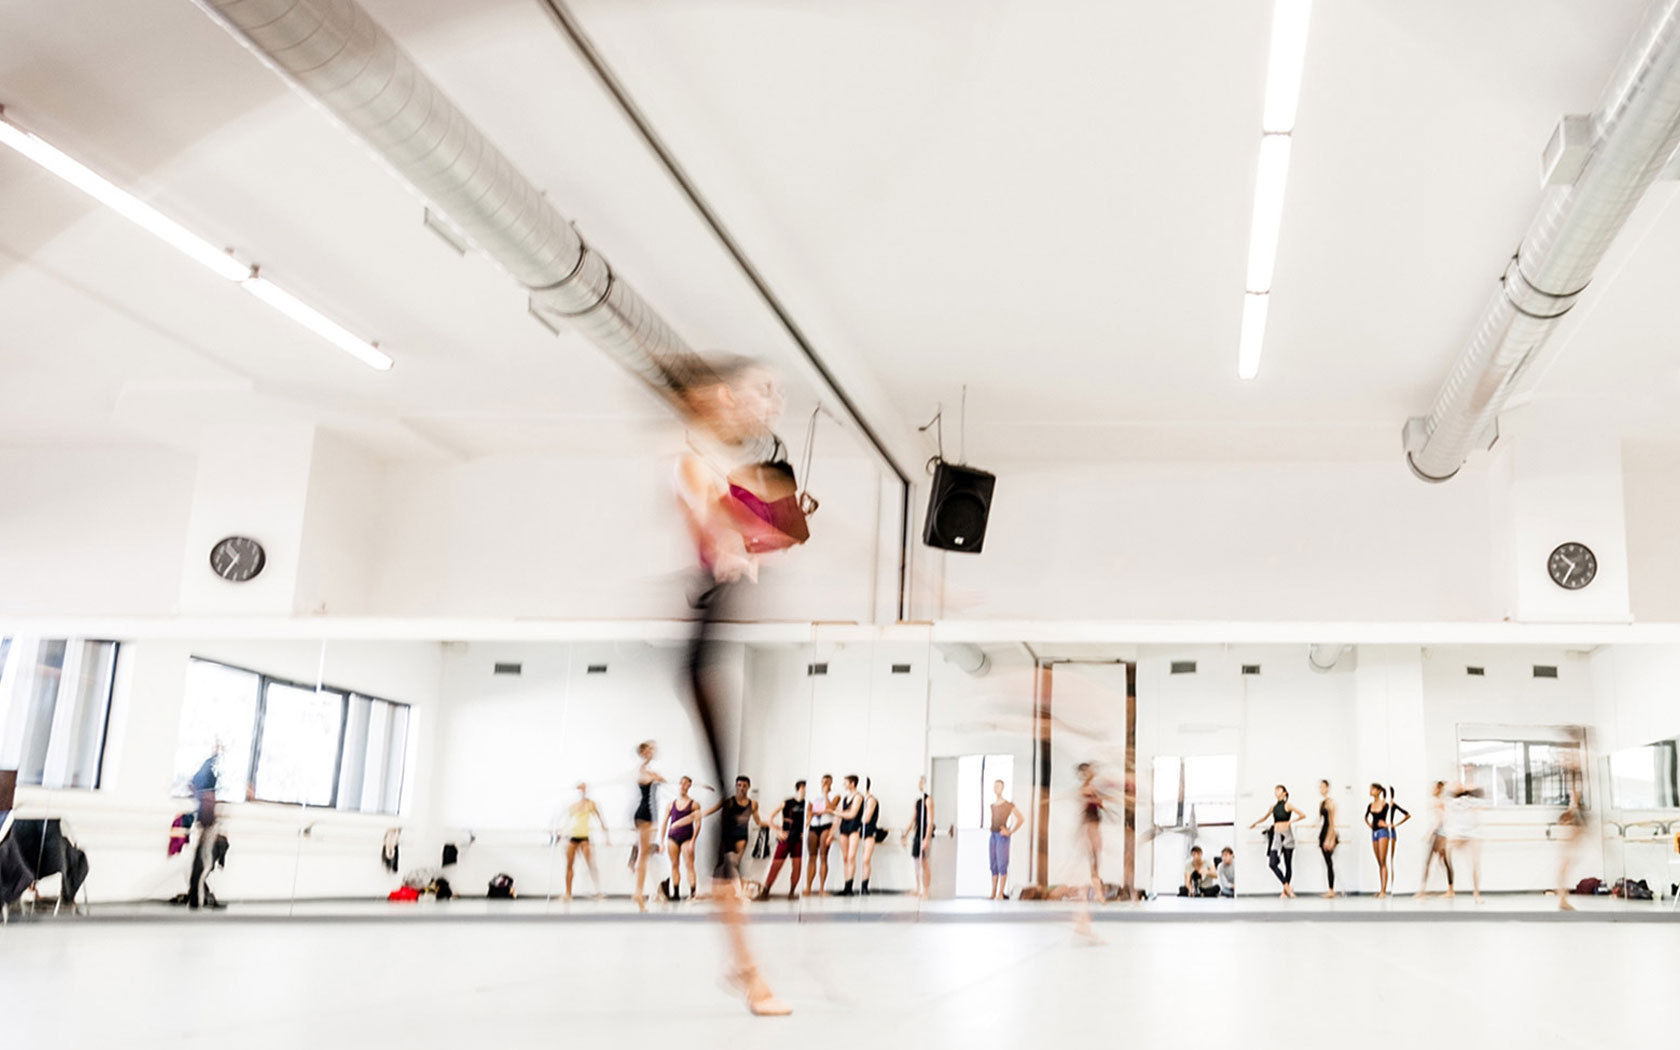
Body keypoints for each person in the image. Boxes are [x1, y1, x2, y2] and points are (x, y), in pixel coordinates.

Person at [672, 355, 795, 1014]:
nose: (769, 404)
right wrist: (726, 544)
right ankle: (750, 977)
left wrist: (755, 535)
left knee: (732, 791)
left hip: (718, 639)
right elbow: (705, 507)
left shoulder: (731, 467)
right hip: (705, 646)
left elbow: (777, 532)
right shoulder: (695, 460)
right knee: (727, 801)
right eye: (762, 392)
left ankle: (744, 969)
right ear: (721, 395)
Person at [704, 776, 761, 892]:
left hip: (741, 837)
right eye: (739, 785)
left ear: (748, 787)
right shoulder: (729, 801)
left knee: (732, 863)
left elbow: (758, 821)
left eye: (744, 786)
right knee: (725, 864)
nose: (741, 788)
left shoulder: (753, 804)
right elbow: (712, 810)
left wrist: (774, 826)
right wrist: (696, 815)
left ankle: (738, 891)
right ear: (736, 786)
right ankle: (731, 890)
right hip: (727, 837)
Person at [186, 744, 225, 910]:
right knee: (203, 866)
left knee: (202, 865)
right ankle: (198, 900)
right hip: (207, 826)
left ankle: (199, 899)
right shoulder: (205, 795)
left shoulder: (206, 796)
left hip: (208, 826)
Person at [1249, 784, 1305, 898]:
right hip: (1277, 837)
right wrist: (1255, 823)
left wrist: (1291, 821)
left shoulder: (1288, 805)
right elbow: (1265, 817)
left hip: (1287, 836)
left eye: (1279, 789)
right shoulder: (1273, 807)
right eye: (1275, 789)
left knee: (1288, 865)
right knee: (1272, 863)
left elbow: (1302, 815)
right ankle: (1287, 887)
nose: (1276, 791)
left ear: (1284, 793)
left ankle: (1285, 892)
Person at [756, 780, 806, 900]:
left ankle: (792, 892)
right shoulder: (787, 802)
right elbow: (770, 817)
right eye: (804, 788)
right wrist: (777, 831)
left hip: (798, 840)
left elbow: (808, 819)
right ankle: (766, 891)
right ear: (800, 788)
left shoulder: (807, 804)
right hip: (786, 838)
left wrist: (805, 831)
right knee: (776, 864)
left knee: (797, 866)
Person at [630, 741, 665, 912]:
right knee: (643, 856)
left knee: (644, 855)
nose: (653, 751)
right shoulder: (643, 770)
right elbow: (644, 779)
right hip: (643, 814)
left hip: (649, 816)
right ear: (644, 752)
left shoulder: (649, 770)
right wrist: (655, 777)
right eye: (649, 749)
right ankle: (638, 893)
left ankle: (639, 892)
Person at [560, 782, 610, 900]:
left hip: (584, 838)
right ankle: (568, 893)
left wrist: (607, 839)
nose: (582, 790)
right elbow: (566, 822)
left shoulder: (591, 804)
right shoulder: (573, 805)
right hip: (572, 837)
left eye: (583, 788)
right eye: (580, 788)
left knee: (591, 865)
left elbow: (601, 821)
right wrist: (560, 835)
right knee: (569, 866)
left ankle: (598, 891)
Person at [1364, 783, 1410, 898]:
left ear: (1379, 791)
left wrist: (1391, 825)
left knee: (1383, 860)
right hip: (1374, 833)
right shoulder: (1370, 805)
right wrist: (1371, 825)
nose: (1370, 791)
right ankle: (1381, 889)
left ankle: (1384, 891)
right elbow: (1366, 817)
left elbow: (1406, 815)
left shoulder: (1386, 804)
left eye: (1372, 789)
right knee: (1379, 862)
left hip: (1383, 833)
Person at [1554, 754, 1586, 911]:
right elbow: (1574, 801)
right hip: (1575, 821)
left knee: (1567, 862)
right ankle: (1562, 898)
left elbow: (1574, 801)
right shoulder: (1573, 779)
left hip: (1576, 820)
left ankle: (1562, 898)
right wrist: (1570, 814)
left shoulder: (1575, 778)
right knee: (1565, 863)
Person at [662, 776, 702, 900]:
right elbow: (664, 823)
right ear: (678, 784)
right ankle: (676, 894)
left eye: (686, 784)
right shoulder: (671, 804)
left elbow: (698, 823)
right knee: (674, 864)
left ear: (689, 786)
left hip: (687, 838)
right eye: (681, 783)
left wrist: (693, 841)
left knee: (689, 865)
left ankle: (693, 894)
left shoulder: (694, 804)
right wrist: (662, 841)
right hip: (672, 838)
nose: (683, 786)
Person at [1444, 779, 1483, 903]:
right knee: (1447, 851)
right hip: (1458, 833)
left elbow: (1477, 811)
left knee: (1474, 864)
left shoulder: (1472, 799)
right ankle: (1451, 888)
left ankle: (1476, 894)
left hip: (1471, 833)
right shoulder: (1453, 802)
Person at [1417, 780, 1455, 898]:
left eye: (1434, 788)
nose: (1432, 790)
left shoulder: (1439, 803)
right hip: (1439, 835)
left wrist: (1429, 833)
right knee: (1444, 862)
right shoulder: (1438, 802)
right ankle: (1450, 890)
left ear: (1438, 790)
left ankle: (1423, 891)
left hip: (1440, 836)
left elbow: (1440, 820)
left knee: (1431, 862)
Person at [988, 779, 1023, 900]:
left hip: (1002, 837)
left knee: (1002, 864)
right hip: (992, 835)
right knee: (993, 865)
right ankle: (993, 892)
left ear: (1002, 788)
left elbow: (1020, 818)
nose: (996, 788)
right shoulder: (992, 805)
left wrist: (1010, 831)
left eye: (998, 786)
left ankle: (1000, 893)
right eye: (994, 786)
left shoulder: (1008, 805)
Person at [805, 774, 837, 897]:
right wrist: (811, 816)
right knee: (812, 856)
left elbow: (831, 807)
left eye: (827, 782)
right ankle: (808, 887)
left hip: (826, 825)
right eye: (823, 781)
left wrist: (825, 795)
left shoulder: (835, 795)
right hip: (814, 826)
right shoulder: (813, 796)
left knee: (823, 856)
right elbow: (809, 810)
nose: (825, 784)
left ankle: (822, 888)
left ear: (831, 783)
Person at [902, 776, 934, 899]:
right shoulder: (918, 802)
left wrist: (926, 838)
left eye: (922, 782)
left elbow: (930, 821)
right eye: (919, 782)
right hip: (917, 834)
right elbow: (913, 820)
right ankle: (918, 888)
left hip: (924, 834)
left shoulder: (928, 800)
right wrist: (905, 834)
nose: (920, 784)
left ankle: (926, 891)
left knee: (924, 862)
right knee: (916, 862)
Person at [835, 775, 865, 896]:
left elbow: (852, 814)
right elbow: (839, 816)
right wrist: (831, 832)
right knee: (845, 858)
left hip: (854, 829)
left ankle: (849, 887)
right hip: (844, 829)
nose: (844, 784)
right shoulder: (846, 798)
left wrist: (836, 812)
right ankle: (845, 885)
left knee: (851, 857)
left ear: (852, 783)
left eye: (846, 782)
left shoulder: (858, 797)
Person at [858, 778, 884, 895]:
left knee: (866, 859)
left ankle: (864, 886)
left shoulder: (871, 800)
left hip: (869, 831)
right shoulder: (862, 800)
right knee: (863, 860)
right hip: (862, 831)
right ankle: (861, 885)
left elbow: (866, 818)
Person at [1316, 779, 1339, 898]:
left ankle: (1331, 890)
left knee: (1329, 863)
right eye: (1320, 787)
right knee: (1327, 862)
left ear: (1328, 788)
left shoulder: (1330, 802)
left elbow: (1332, 822)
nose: (1321, 789)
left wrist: (1330, 838)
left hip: (1328, 833)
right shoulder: (1322, 803)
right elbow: (1319, 820)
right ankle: (1330, 889)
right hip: (1323, 832)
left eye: (1323, 787)